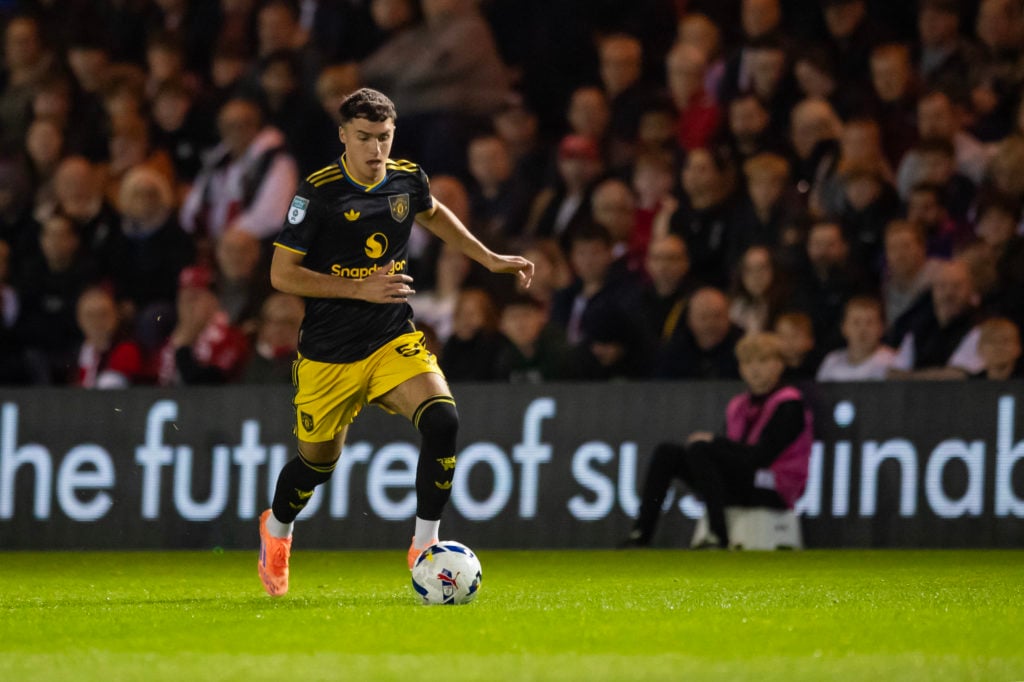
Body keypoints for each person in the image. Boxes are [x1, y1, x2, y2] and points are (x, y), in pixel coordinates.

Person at [259, 88, 533, 597]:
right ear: (343, 136)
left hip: (390, 336)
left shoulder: (407, 178)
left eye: (383, 137)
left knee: (443, 419)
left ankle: (423, 545)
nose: (375, 149)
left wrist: (489, 257)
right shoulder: (317, 193)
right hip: (329, 352)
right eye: (363, 137)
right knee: (317, 464)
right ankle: (277, 528)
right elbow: (281, 274)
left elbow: (432, 212)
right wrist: (358, 288)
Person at [623, 332, 813, 548]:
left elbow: (761, 457)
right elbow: (732, 453)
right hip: (742, 482)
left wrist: (713, 442)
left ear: (780, 365)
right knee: (668, 453)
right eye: (748, 362)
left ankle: (718, 535)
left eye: (763, 361)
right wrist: (712, 445)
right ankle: (640, 534)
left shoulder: (790, 404)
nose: (755, 369)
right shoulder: (738, 405)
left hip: (773, 486)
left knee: (701, 448)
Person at [816, 296, 897, 381]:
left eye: (869, 322)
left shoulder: (892, 362)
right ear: (844, 327)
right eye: (856, 322)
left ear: (882, 328)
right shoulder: (831, 361)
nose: (863, 329)